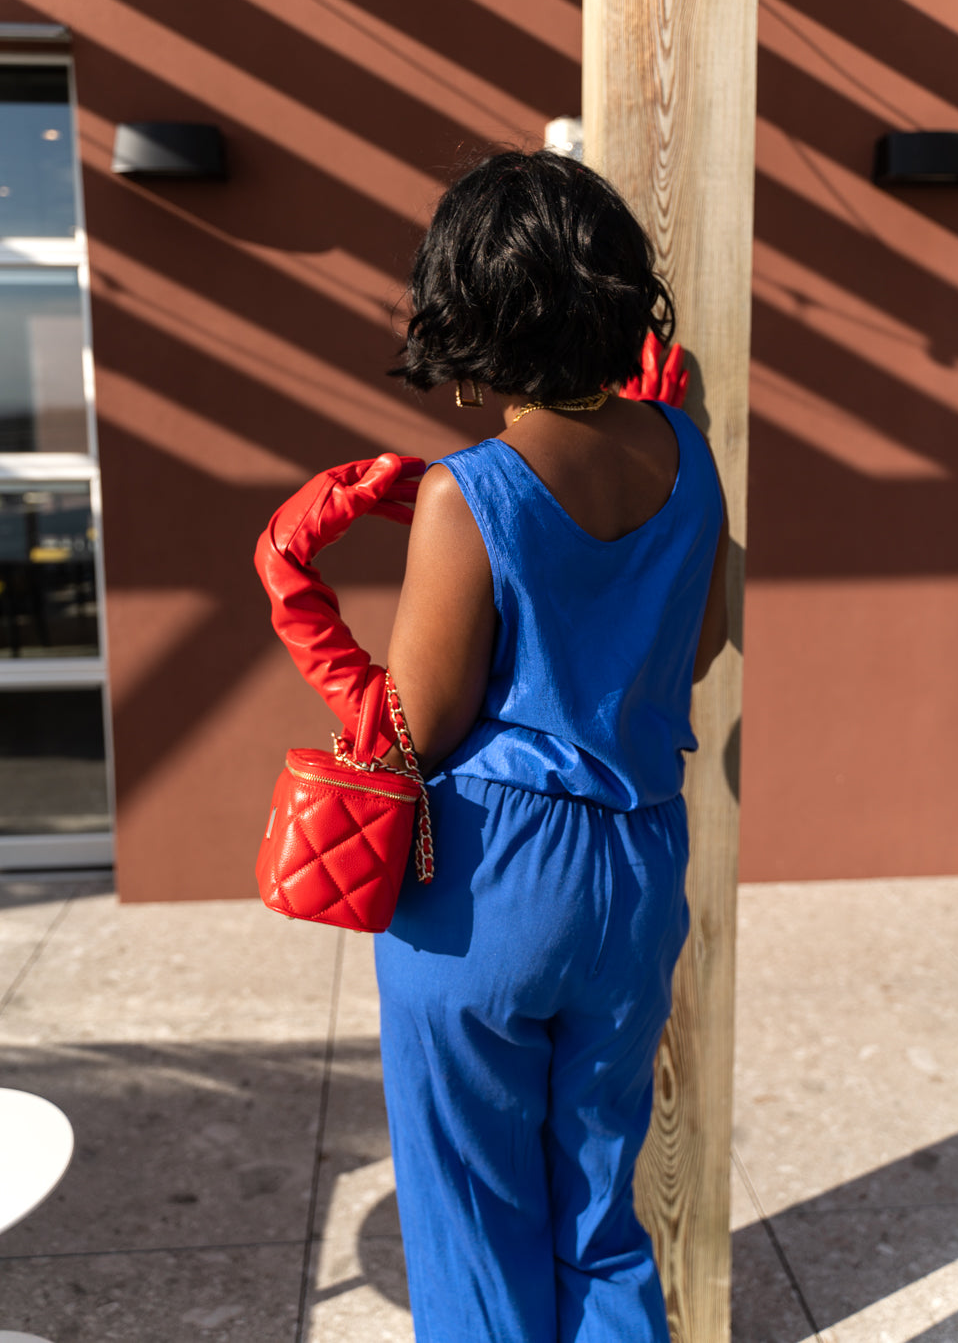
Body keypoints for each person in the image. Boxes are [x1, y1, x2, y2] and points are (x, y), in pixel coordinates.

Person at [257, 150, 728, 1342]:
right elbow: (703, 644)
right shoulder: (686, 457)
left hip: (491, 881)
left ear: (472, 311)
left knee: (475, 1220)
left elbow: (411, 733)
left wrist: (290, 586)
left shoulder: (475, 491)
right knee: (596, 1213)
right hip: (635, 866)